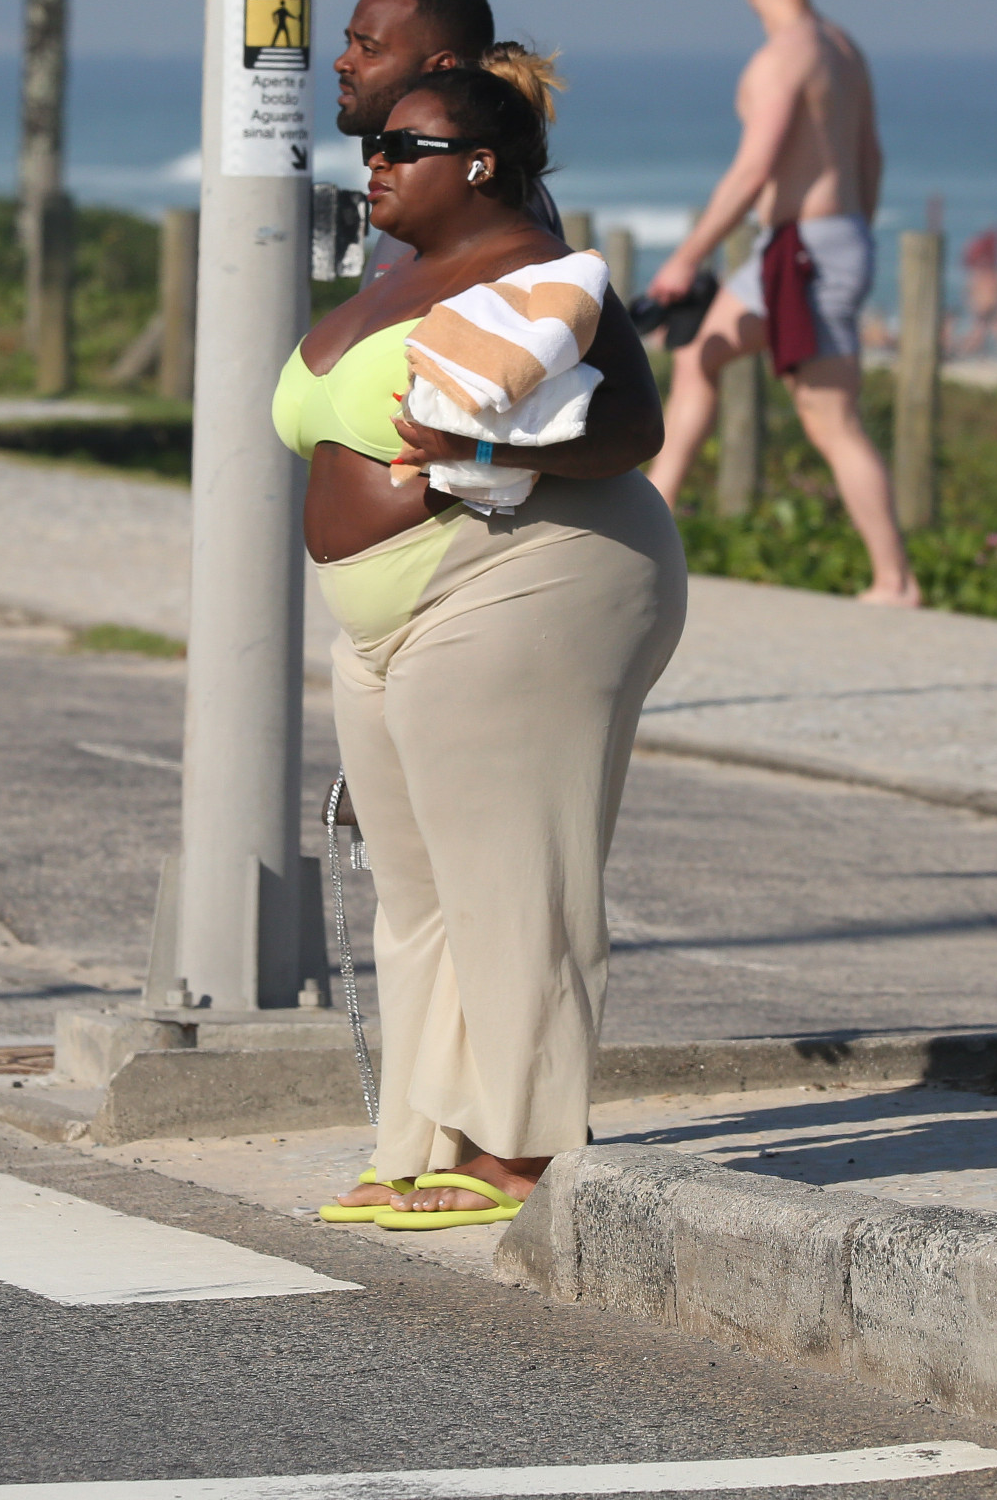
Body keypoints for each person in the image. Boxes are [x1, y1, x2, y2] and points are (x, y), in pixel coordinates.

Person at [273, 63, 686, 1225]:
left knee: (515, 882)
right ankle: (422, 1135)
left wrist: (491, 452)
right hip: (387, 621)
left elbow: (632, 426)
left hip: (524, 582)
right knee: (416, 894)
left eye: (404, 144)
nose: (376, 161)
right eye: (375, 146)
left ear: (481, 164)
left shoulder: (538, 272)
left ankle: (525, 1147)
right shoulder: (396, 275)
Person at [646, 0, 919, 607]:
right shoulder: (843, 49)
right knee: (699, 352)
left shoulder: (780, 60)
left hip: (807, 252)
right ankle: (653, 523)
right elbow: (872, 157)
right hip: (815, 243)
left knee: (831, 416)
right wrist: (854, 233)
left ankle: (896, 580)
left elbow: (753, 169)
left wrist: (685, 257)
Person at [333, 0, 564, 283]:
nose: (342, 63)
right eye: (349, 44)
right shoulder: (434, 205)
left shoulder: (484, 205)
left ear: (440, 68)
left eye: (369, 50)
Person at [959, 230, 997, 357]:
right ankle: (962, 354)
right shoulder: (983, 275)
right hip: (985, 308)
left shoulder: (984, 275)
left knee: (982, 333)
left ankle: (963, 354)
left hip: (987, 308)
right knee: (979, 334)